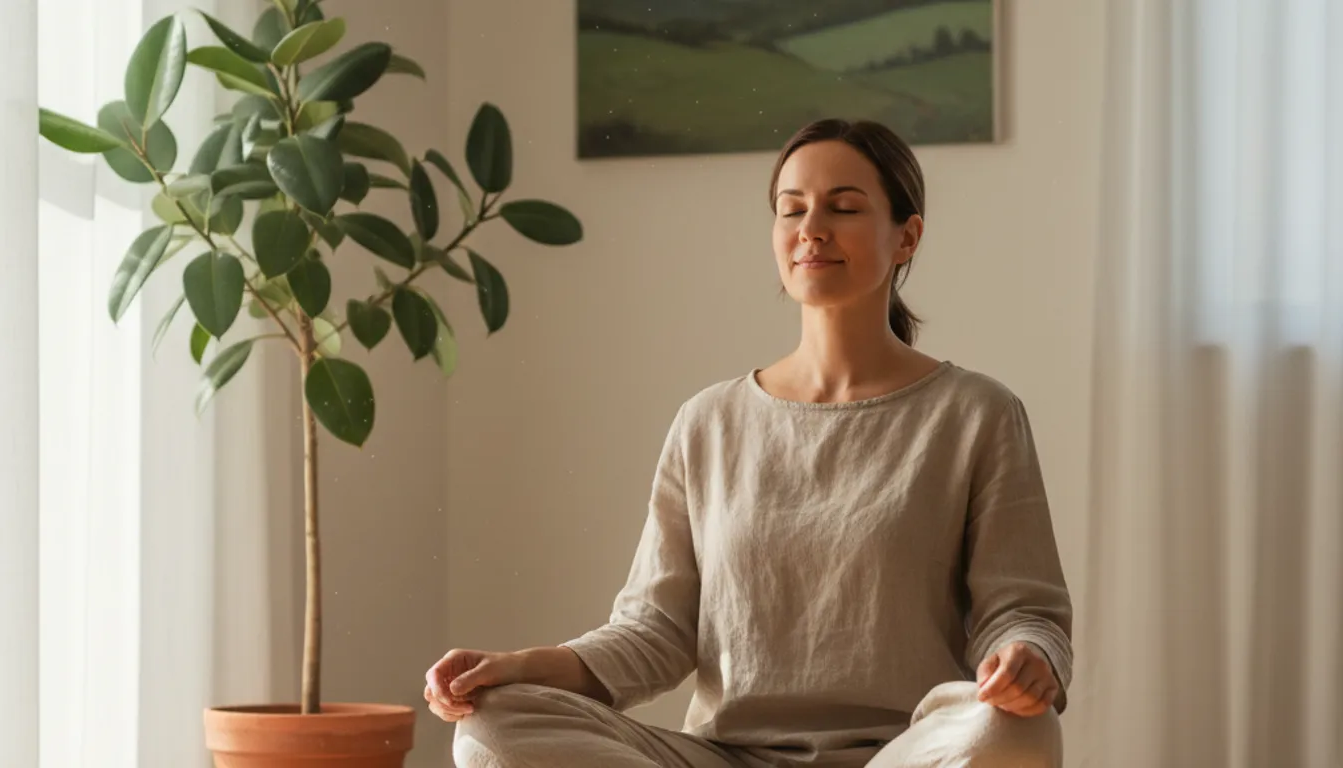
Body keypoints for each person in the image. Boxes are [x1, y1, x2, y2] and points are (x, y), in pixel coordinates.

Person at [425, 118, 1073, 768]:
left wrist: (1028, 657)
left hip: (902, 755)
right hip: (726, 758)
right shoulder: (707, 422)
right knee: (493, 728)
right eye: (792, 210)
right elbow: (655, 631)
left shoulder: (976, 414)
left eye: (843, 208)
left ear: (907, 236)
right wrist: (519, 668)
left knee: (1016, 731)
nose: (811, 229)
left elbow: (1024, 610)